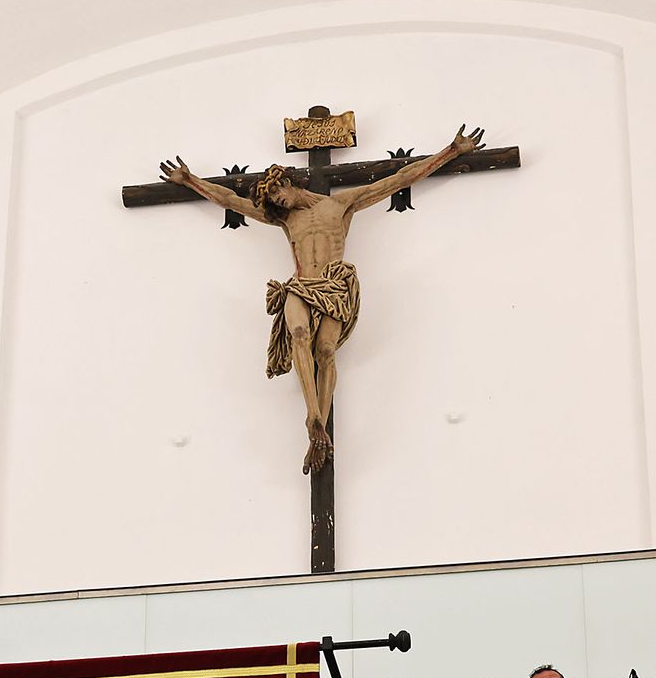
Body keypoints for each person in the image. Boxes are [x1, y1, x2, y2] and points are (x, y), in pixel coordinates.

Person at [158, 124, 485, 473]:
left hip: (334, 285)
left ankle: (320, 430)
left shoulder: (341, 204)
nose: (276, 203)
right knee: (299, 336)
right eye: (271, 202)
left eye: (276, 195)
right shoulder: (286, 221)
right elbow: (230, 201)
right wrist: (190, 180)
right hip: (301, 285)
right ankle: (312, 418)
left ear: (287, 182)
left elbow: (398, 180)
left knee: (326, 352)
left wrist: (451, 151)